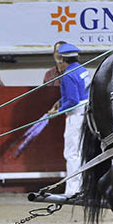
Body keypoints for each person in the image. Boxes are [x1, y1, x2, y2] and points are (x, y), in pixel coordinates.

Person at [47, 43, 89, 197]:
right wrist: (60, 101)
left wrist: (58, 111)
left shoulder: (67, 75)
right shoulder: (82, 70)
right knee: (82, 151)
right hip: (87, 112)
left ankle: (73, 189)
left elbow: (72, 100)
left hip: (76, 115)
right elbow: (79, 94)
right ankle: (84, 186)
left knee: (71, 153)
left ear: (63, 60)